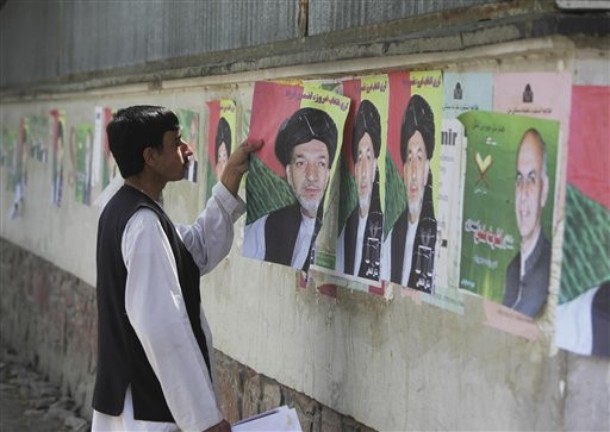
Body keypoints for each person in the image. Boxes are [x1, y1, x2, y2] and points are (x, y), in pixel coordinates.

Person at [92, 105, 261, 432]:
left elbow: (192, 251)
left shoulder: (124, 209)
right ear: (150, 157)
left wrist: (230, 178)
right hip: (150, 409)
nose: (188, 149)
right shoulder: (143, 223)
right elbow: (161, 326)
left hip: (135, 404)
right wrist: (204, 419)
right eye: (176, 142)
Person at [242, 107, 337, 270]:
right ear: (289, 174)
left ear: (329, 173)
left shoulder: (341, 233)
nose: (311, 176)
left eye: (321, 163)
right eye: (301, 163)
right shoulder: (264, 229)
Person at [380, 95, 437, 292]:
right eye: (409, 158)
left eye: (419, 159)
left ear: (427, 170)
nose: (413, 173)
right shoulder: (393, 237)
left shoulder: (436, 238)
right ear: (403, 171)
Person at [502, 128, 551, 318]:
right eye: (519, 179)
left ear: (544, 191)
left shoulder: (550, 266)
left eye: (531, 179)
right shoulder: (512, 269)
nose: (523, 194)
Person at [336, 100, 383, 280]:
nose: (363, 172)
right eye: (359, 157)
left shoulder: (386, 231)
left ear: (375, 165)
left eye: (368, 158)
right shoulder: (345, 228)